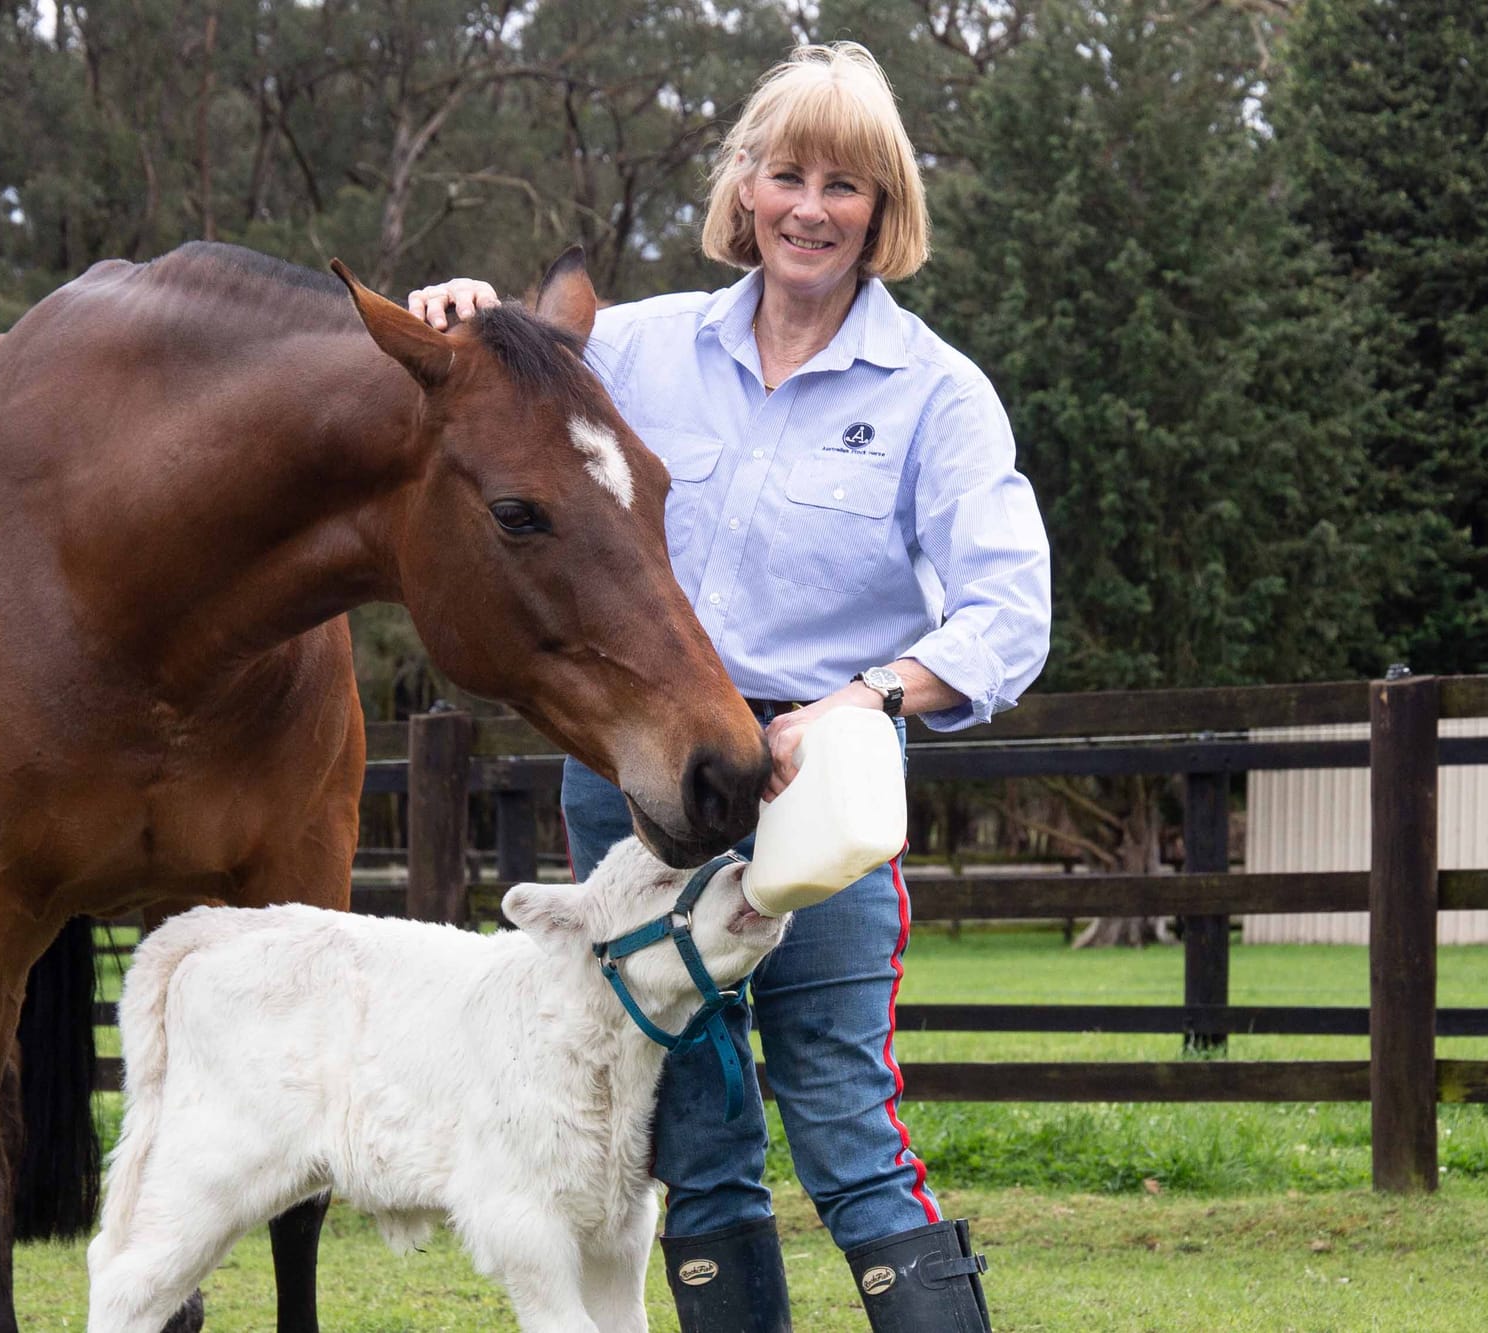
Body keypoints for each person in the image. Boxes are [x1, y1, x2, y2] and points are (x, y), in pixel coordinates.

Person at [408, 42, 1049, 1333]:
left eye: (847, 183)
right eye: (786, 172)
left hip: (819, 792)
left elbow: (1008, 613)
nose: (811, 206)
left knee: (839, 1114)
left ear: (885, 210)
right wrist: (468, 315)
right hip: (640, 785)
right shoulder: (634, 350)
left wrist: (867, 695)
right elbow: (498, 415)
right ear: (744, 188)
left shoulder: (937, 392)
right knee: (694, 1133)